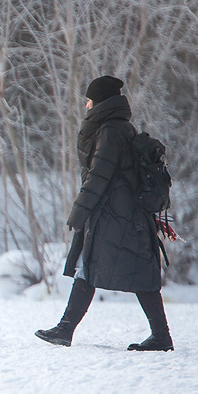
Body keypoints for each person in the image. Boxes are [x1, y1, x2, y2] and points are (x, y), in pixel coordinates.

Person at [35, 75, 173, 351]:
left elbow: (98, 176)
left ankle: (160, 336)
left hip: (116, 217)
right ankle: (66, 330)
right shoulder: (119, 128)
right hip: (119, 215)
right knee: (97, 269)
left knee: (116, 272)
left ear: (99, 103)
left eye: (89, 100)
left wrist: (78, 213)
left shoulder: (111, 131)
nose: (86, 105)